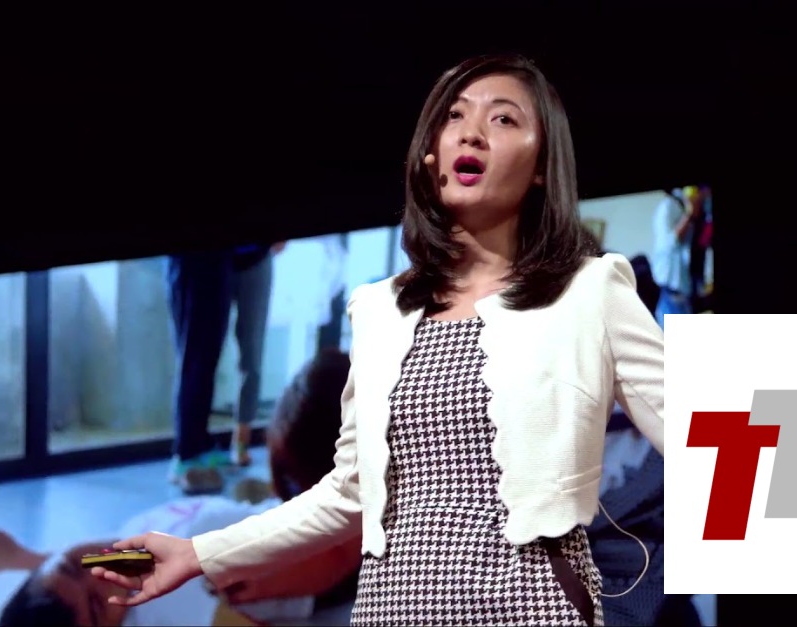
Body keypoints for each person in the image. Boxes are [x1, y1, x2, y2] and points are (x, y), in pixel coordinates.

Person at [93, 53, 665, 627]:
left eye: (503, 119)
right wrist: (198, 553)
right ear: (430, 154)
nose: (471, 131)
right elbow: (348, 493)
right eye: (454, 116)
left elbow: (715, 442)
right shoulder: (380, 308)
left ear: (542, 165)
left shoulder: (590, 289)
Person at [0, 350, 362, 626]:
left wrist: (20, 558)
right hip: (337, 550)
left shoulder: (123, 556)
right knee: (314, 401)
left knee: (319, 392)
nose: (101, 573)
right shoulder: (168, 604)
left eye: (73, 564)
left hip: (285, 509)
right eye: (97, 604)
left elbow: (75, 577)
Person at [164, 240, 285, 495]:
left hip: (219, 260)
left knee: (205, 360)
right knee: (195, 360)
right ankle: (185, 456)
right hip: (195, 259)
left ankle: (199, 447)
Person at [650, 186, 704, 327]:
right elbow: (671, 241)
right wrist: (690, 213)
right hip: (671, 287)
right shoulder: (668, 206)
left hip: (683, 288)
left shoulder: (682, 205)